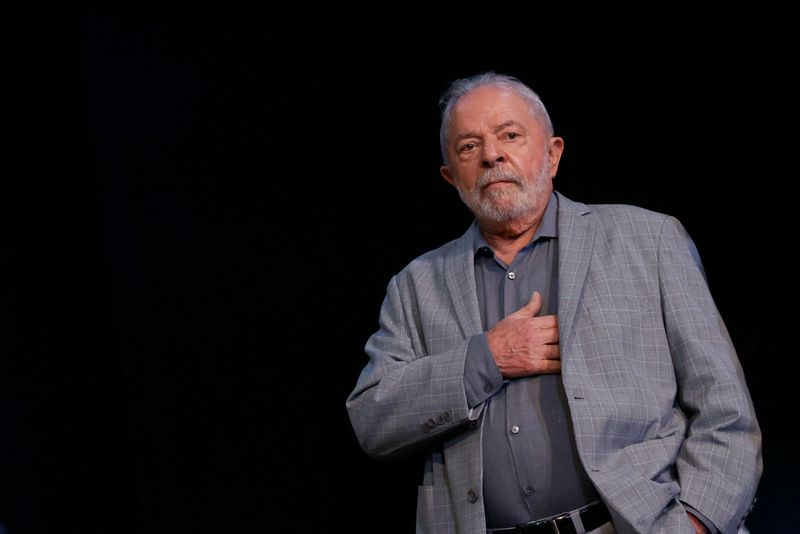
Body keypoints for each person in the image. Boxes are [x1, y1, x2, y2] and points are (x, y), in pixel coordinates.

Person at [345, 72, 762, 534]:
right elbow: (372, 420)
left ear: (553, 153)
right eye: (468, 146)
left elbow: (726, 412)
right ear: (450, 176)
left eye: (510, 135)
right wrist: (486, 359)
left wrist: (696, 523)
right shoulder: (415, 286)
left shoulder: (648, 239)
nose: (491, 155)